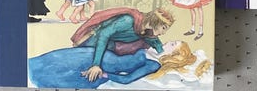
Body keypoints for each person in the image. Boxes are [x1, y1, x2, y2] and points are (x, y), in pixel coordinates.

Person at [28, 40, 196, 88]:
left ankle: (30, 75)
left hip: (101, 67)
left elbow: (127, 79)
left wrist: (104, 74)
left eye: (173, 44)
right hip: (95, 55)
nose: (169, 42)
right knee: (57, 58)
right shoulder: (153, 49)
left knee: (57, 71)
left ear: (174, 54)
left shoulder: (154, 65)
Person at [70, 7, 174, 82]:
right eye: (163, 28)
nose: (164, 33)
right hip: (94, 40)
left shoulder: (148, 31)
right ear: (156, 21)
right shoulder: (128, 20)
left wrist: (168, 57)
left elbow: (158, 46)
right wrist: (96, 64)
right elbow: (103, 35)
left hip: (111, 46)